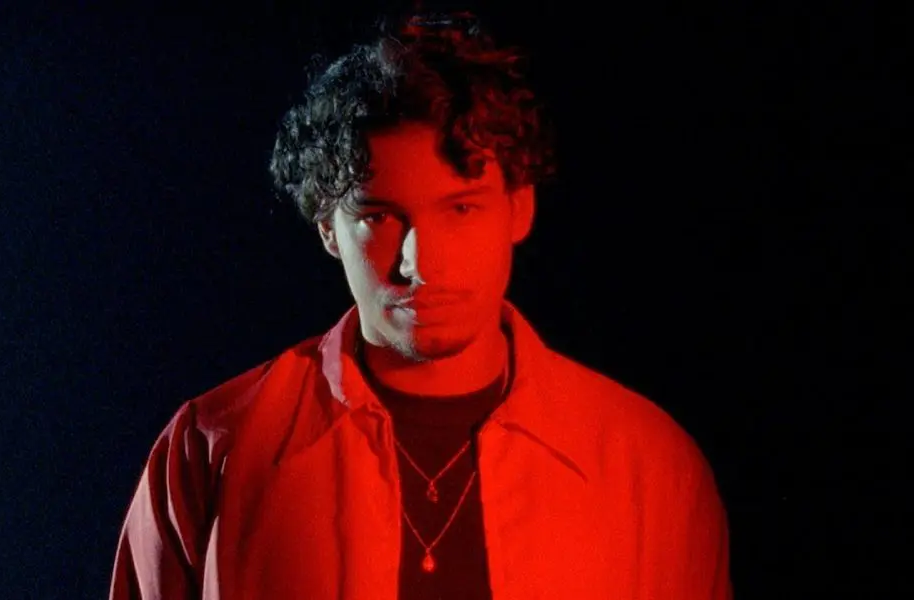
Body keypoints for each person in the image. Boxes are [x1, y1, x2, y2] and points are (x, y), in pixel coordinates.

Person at [109, 11, 733, 600]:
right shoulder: (212, 447)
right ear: (327, 228)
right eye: (378, 216)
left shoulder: (650, 466)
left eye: (460, 209)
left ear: (519, 207)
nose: (420, 263)